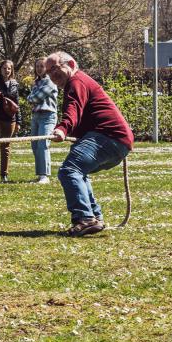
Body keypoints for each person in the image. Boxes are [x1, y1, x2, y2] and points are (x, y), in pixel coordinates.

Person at [45, 51, 134, 236]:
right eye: (48, 72)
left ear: (70, 63)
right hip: (117, 141)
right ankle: (94, 218)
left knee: (70, 171)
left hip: (109, 136)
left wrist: (63, 128)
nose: (52, 74)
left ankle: (85, 218)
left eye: (54, 68)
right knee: (78, 172)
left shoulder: (76, 82)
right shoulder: (79, 81)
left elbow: (73, 107)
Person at [26, 57, 59, 185]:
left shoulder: (51, 81)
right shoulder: (36, 82)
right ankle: (40, 174)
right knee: (34, 146)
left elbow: (36, 98)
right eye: (37, 66)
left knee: (42, 144)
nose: (39, 69)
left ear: (47, 68)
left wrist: (32, 97)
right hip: (36, 116)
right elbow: (30, 98)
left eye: (42, 66)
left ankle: (45, 176)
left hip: (48, 116)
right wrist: (32, 97)